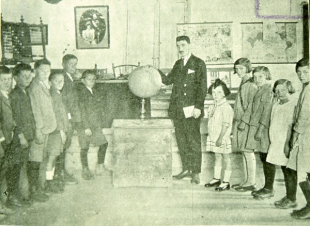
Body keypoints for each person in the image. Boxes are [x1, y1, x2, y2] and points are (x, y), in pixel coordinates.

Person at [158, 36, 207, 184]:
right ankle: (186, 168)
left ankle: (196, 172)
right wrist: (155, 70)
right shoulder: (178, 63)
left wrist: (198, 107)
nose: (180, 48)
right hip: (178, 110)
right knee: (181, 140)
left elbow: (202, 87)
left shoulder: (198, 63)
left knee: (193, 141)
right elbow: (168, 81)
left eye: (183, 45)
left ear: (190, 45)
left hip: (192, 110)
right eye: (178, 45)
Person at [252, 79, 298, 205]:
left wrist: (288, 144)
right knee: (283, 168)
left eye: (283, 90)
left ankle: (292, 198)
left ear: (289, 89)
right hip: (276, 142)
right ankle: (288, 197)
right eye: (277, 90)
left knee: (289, 170)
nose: (280, 93)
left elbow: (291, 126)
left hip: (285, 143)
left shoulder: (292, 105)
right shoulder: (276, 104)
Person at [10, 63, 48, 203]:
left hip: (29, 136)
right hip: (21, 138)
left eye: (29, 76)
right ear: (15, 78)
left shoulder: (25, 92)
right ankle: (12, 197)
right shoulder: (15, 95)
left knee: (25, 166)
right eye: (23, 76)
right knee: (15, 169)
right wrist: (21, 137)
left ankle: (25, 194)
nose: (27, 79)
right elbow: (15, 118)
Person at [236, 66, 273, 192]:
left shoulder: (269, 91)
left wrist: (260, 129)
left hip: (262, 129)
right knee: (263, 157)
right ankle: (257, 184)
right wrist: (243, 122)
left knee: (267, 158)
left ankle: (267, 187)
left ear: (267, 76)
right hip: (254, 127)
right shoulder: (258, 90)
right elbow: (251, 108)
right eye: (255, 77)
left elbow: (266, 113)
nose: (257, 79)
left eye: (261, 76)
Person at [28, 59, 57, 199]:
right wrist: (38, 130)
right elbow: (35, 111)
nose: (46, 73)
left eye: (48, 71)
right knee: (35, 160)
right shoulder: (34, 87)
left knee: (42, 160)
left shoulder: (43, 85)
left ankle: (40, 187)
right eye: (42, 71)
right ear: (35, 71)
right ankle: (34, 191)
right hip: (40, 130)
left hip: (47, 129)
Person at [54, 54, 81, 186]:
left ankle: (61, 173)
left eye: (75, 64)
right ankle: (60, 175)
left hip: (71, 118)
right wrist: (69, 118)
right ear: (63, 64)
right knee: (62, 147)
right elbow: (63, 102)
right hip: (66, 119)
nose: (74, 67)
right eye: (71, 64)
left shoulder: (70, 78)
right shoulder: (62, 79)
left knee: (65, 146)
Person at [231, 58, 258, 190]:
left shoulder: (251, 85)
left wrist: (243, 122)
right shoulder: (244, 83)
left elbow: (251, 108)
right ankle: (247, 181)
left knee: (248, 152)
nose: (238, 71)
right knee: (244, 151)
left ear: (248, 68)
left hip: (245, 124)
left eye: (241, 68)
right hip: (240, 122)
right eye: (236, 69)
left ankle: (251, 183)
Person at [288, 58, 310, 219]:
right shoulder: (306, 88)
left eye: (305, 72)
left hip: (305, 136)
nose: (301, 75)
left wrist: (294, 135)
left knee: (302, 171)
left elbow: (303, 117)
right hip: (305, 135)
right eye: (299, 72)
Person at [77, 70, 108, 180]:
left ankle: (99, 166)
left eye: (94, 79)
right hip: (86, 126)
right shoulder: (81, 93)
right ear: (83, 80)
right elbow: (81, 111)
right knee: (84, 147)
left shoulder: (93, 91)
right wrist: (86, 127)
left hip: (95, 124)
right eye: (89, 79)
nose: (92, 81)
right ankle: (85, 169)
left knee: (104, 144)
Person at [205, 79, 233, 191]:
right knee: (217, 156)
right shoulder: (212, 106)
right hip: (214, 136)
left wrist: (221, 138)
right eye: (214, 92)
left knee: (226, 158)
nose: (216, 95)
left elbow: (226, 125)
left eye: (219, 92)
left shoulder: (226, 107)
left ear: (225, 93)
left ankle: (226, 181)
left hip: (222, 137)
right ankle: (217, 178)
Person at [44, 71, 69, 193]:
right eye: (56, 81)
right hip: (56, 132)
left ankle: (51, 180)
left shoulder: (58, 94)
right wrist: (61, 131)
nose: (60, 83)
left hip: (60, 131)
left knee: (55, 158)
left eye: (62, 81)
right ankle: (48, 183)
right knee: (51, 158)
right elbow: (56, 116)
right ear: (49, 82)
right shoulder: (53, 95)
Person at [0, 66, 15, 216]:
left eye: (9, 79)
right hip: (1, 142)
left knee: (4, 175)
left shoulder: (8, 95)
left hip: (7, 141)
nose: (6, 82)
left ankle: (3, 203)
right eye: (3, 79)